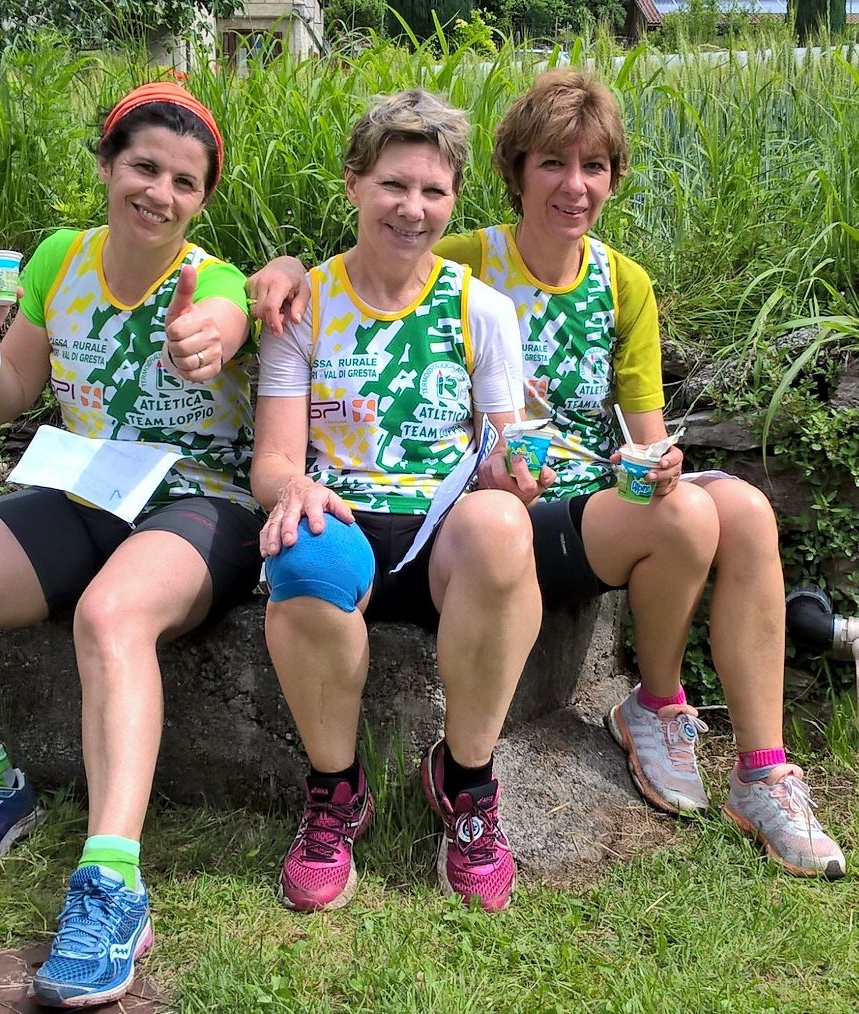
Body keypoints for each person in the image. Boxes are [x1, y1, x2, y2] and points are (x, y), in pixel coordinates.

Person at [250, 69, 846, 880]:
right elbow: (376, 268)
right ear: (515, 173)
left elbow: (642, 434)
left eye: (593, 166)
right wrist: (282, 267)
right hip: (499, 504)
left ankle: (741, 756)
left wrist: (656, 462)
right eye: (553, 164)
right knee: (674, 518)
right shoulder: (464, 258)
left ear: (613, 178)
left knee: (739, 509)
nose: (574, 185)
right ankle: (653, 705)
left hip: (567, 493)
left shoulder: (621, 281)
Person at [0, 82, 263, 1007]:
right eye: (144, 166)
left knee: (111, 616)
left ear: (203, 200)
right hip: (84, 492)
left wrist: (206, 339)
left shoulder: (212, 280)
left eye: (185, 182)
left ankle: (112, 883)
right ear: (108, 165)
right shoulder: (55, 259)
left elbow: (223, 322)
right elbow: (6, 399)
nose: (160, 192)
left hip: (199, 504)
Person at [252, 88, 539, 915]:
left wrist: (520, 475)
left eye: (433, 191)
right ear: (353, 183)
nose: (413, 209)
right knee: (301, 545)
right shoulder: (305, 304)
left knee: (503, 524)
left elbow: (504, 451)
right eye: (393, 185)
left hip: (445, 532)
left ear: (454, 200)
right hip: (346, 522)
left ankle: (467, 783)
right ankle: (336, 793)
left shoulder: (480, 309)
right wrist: (294, 486)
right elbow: (272, 462)